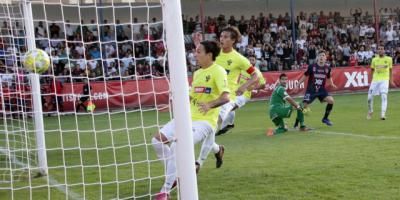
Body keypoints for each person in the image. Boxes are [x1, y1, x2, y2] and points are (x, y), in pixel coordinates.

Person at [152, 41, 230, 200]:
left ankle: (165, 190)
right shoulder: (197, 73)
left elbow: (226, 97)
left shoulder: (218, 71)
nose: (196, 55)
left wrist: (210, 104)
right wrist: (171, 106)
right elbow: (191, 97)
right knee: (157, 141)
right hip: (186, 116)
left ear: (209, 55)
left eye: (199, 52)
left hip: (205, 122)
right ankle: (175, 175)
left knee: (176, 145)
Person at [200, 26, 258, 169]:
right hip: (209, 97)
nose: (222, 39)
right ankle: (218, 150)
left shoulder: (239, 59)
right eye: (221, 36)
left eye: (226, 37)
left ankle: (198, 163)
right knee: (205, 133)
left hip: (226, 99)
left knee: (211, 129)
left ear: (233, 40)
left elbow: (255, 75)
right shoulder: (214, 54)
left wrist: (244, 86)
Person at [217, 54, 266, 135]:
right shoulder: (242, 69)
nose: (251, 61)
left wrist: (254, 88)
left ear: (255, 61)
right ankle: (227, 126)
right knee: (228, 107)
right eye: (249, 59)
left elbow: (263, 85)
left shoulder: (257, 73)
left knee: (229, 107)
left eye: (253, 60)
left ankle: (226, 125)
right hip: (235, 92)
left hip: (244, 95)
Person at [295, 50, 337, 127]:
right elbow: (305, 76)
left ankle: (325, 118)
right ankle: (297, 122)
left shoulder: (327, 68)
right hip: (311, 90)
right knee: (304, 106)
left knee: (331, 100)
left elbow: (329, 76)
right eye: (320, 55)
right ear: (317, 58)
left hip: (321, 90)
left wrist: (332, 83)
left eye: (323, 55)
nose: (321, 57)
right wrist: (298, 84)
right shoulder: (312, 67)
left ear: (325, 58)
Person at [367, 45, 395, 120]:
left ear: (384, 50)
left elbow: (391, 70)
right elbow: (372, 70)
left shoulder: (389, 59)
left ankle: (383, 114)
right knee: (369, 98)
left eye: (382, 49)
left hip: (385, 80)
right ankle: (370, 111)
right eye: (379, 49)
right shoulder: (374, 60)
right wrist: (371, 81)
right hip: (375, 80)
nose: (380, 50)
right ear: (377, 50)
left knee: (384, 96)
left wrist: (391, 80)